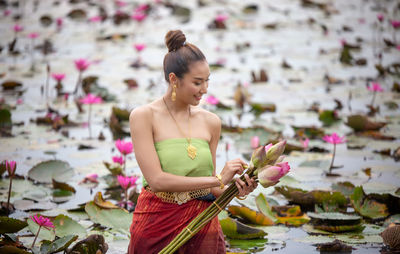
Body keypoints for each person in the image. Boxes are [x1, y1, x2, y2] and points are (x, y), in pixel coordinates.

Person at [127, 30, 257, 254]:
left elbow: (210, 189)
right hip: (156, 225)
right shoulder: (143, 116)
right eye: (197, 83)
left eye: (207, 81)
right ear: (174, 79)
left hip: (203, 226)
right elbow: (157, 181)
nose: (205, 90)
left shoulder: (211, 122)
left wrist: (236, 189)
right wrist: (217, 179)